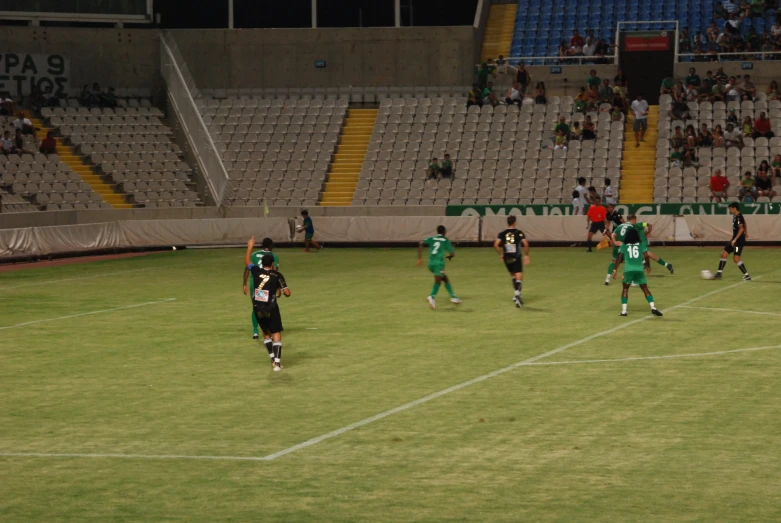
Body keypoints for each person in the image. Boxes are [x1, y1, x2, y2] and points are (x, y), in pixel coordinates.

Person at [244, 238, 291, 371]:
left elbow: (247, 262)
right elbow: (287, 293)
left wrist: (249, 247)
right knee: (276, 334)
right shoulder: (277, 275)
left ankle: (272, 358)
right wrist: (283, 289)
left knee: (266, 334)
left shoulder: (256, 272)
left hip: (258, 307)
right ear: (272, 263)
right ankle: (276, 363)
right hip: (271, 307)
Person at [611, 227, 664, 317]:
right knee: (645, 288)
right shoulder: (641, 244)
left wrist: (615, 269)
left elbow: (620, 257)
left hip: (628, 270)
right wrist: (648, 266)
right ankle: (653, 308)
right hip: (639, 269)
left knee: (625, 289)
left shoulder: (624, 245)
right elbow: (646, 256)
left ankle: (624, 311)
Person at [243, 237, 280, 340]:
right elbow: (275, 272)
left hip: (255, 283)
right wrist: (278, 288)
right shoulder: (274, 256)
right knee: (269, 306)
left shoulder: (254, 255)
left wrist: (244, 283)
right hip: (268, 284)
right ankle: (269, 331)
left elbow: (247, 268)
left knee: (256, 306)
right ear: (272, 246)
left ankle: (255, 331)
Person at [417, 225, 461, 309]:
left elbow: (420, 243)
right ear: (444, 232)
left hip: (430, 264)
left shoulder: (432, 238)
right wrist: (449, 255)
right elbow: (452, 253)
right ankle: (432, 297)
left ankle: (453, 296)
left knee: (445, 278)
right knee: (438, 281)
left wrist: (419, 258)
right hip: (438, 264)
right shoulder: (445, 240)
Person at [494, 215, 530, 308]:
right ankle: (517, 295)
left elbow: (496, 244)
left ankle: (516, 294)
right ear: (514, 222)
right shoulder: (518, 232)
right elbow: (525, 243)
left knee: (513, 276)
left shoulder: (502, 233)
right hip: (516, 257)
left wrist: (501, 254)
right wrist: (526, 255)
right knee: (519, 278)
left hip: (507, 258)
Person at [714, 202, 751, 280]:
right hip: (734, 239)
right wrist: (746, 232)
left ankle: (747, 276)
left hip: (738, 241)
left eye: (730, 209)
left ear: (735, 208)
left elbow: (741, 229)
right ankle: (719, 273)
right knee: (724, 254)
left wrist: (735, 239)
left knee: (736, 259)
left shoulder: (738, 217)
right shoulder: (736, 216)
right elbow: (745, 224)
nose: (729, 210)